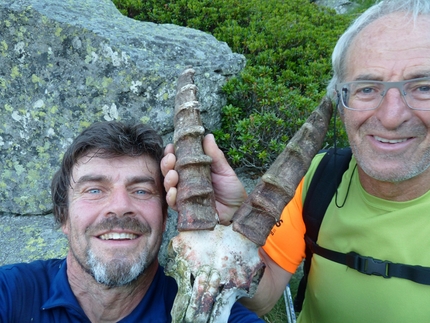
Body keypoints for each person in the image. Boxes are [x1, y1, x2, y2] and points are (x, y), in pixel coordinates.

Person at [162, 0, 430, 321]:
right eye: (367, 88)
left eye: (423, 87)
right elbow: (261, 298)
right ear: (342, 103)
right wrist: (234, 230)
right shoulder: (318, 178)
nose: (391, 116)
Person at [0, 121, 263, 322]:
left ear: (164, 217)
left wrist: (229, 238)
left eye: (141, 191)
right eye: (94, 190)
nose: (120, 207)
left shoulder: (213, 312)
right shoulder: (11, 292)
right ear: (62, 216)